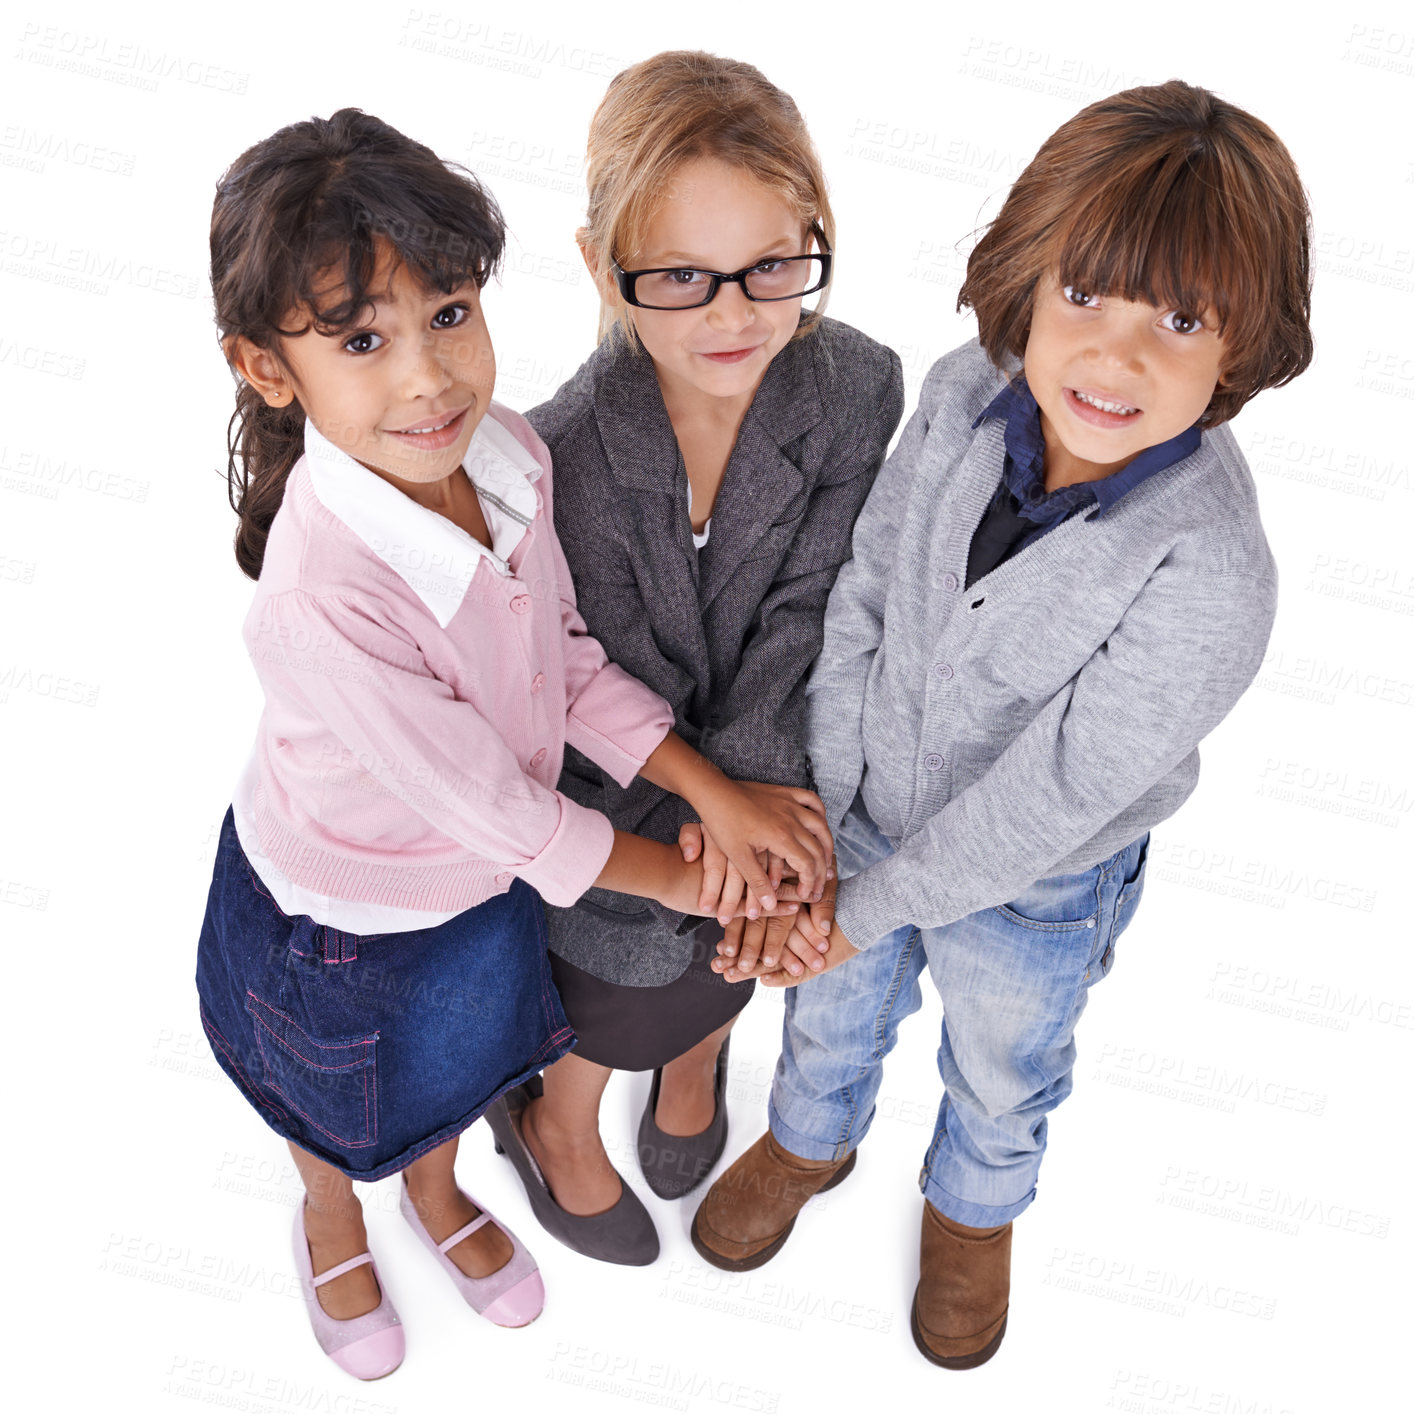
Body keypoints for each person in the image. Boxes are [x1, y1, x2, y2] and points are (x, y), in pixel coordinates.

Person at [196, 108, 830, 1379]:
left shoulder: (506, 454)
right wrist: (704, 874)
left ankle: (435, 1197)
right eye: (360, 340)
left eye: (448, 314)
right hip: (346, 916)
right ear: (267, 368)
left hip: (480, 893)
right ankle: (331, 1213)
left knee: (458, 1061)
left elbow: (569, 665)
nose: (427, 376)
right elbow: (503, 811)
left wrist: (716, 795)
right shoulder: (322, 601)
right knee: (336, 1096)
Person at [693, 79, 1314, 1369]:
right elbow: (864, 584)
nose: (1116, 356)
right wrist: (819, 814)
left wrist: (851, 913)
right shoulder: (957, 391)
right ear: (1023, 282)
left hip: (1038, 883)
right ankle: (811, 1137)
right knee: (830, 1010)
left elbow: (1055, 795)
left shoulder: (1211, 574)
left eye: (1180, 319)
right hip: (861, 815)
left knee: (1002, 1056)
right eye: (1083, 294)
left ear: (1239, 350)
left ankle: (973, 1215)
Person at [484, 51, 903, 1264]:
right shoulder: (554, 452)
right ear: (601, 268)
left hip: (772, 767)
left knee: (734, 951)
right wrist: (721, 829)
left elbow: (810, 618)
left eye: (773, 266)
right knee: (607, 991)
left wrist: (766, 837)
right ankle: (555, 1122)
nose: (733, 314)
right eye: (678, 277)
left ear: (816, 236)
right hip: (619, 779)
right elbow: (585, 684)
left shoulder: (857, 386)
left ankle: (697, 1059)